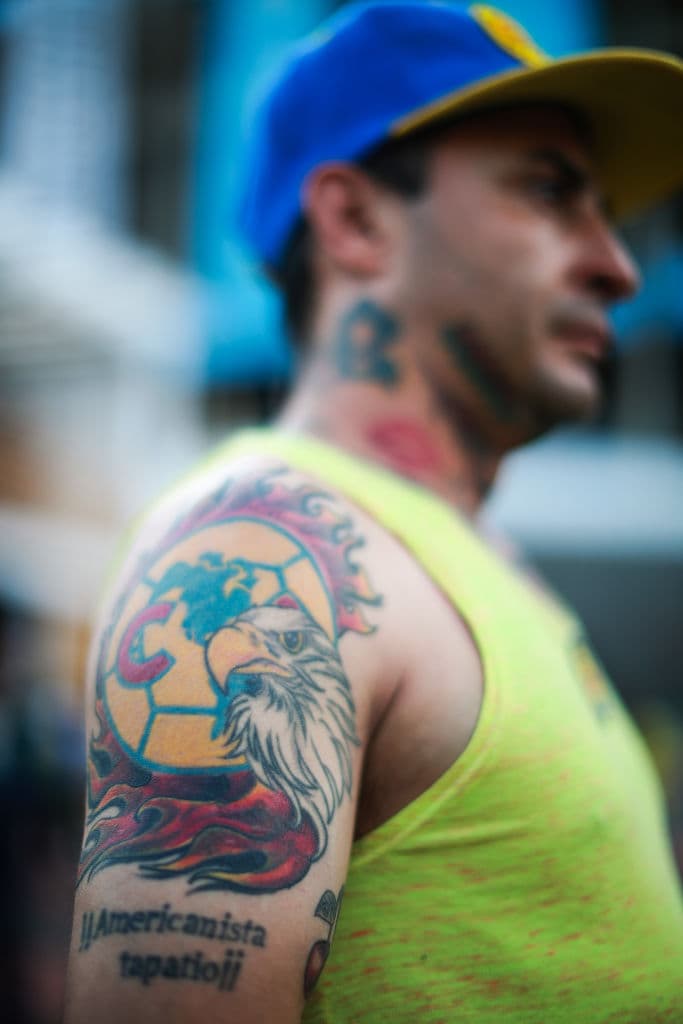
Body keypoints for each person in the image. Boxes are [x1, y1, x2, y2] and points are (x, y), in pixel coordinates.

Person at [65, 4, 683, 1022]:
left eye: (605, 212)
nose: (616, 264)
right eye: (547, 191)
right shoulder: (257, 529)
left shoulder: (489, 568)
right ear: (354, 222)